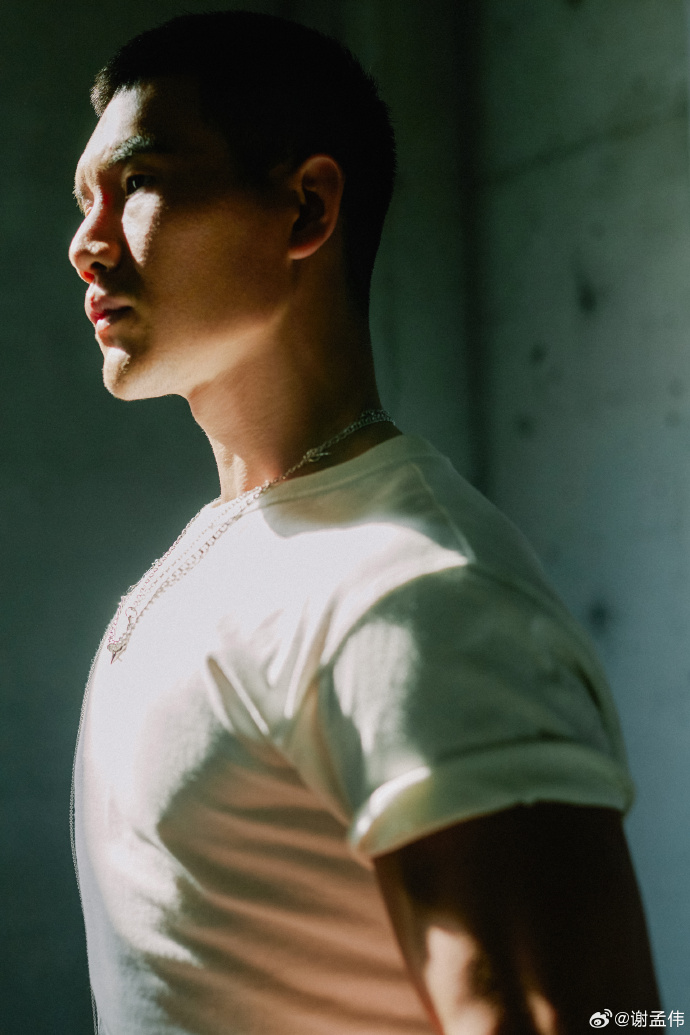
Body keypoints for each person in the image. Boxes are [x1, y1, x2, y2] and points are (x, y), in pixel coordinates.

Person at [69, 11, 660, 1034]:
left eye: (141, 182)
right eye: (85, 200)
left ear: (306, 207)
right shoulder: (236, 546)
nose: (87, 242)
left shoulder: (416, 593)